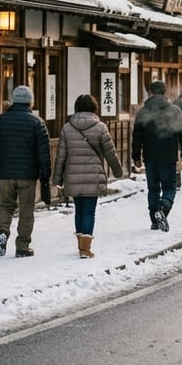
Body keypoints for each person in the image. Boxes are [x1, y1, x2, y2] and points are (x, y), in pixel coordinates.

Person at [0, 85, 50, 258]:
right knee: (26, 211)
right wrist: (45, 174)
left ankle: (2, 233)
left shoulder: (0, 120)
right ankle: (22, 247)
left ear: (14, 101)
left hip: (5, 173)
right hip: (28, 175)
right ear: (30, 101)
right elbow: (43, 153)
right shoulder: (37, 123)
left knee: (6, 206)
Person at [53, 94, 123, 257]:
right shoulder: (100, 127)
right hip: (93, 176)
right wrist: (118, 170)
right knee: (89, 212)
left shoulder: (67, 128)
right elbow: (110, 153)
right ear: (94, 108)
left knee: (79, 210)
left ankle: (81, 244)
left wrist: (57, 179)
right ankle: (85, 249)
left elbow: (61, 156)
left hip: (73, 176)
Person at [131, 80, 182, 232]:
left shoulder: (143, 112)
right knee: (169, 187)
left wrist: (136, 156)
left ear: (150, 92)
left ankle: (154, 220)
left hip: (150, 156)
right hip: (168, 155)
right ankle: (162, 209)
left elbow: (137, 136)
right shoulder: (174, 110)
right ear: (165, 92)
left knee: (153, 189)